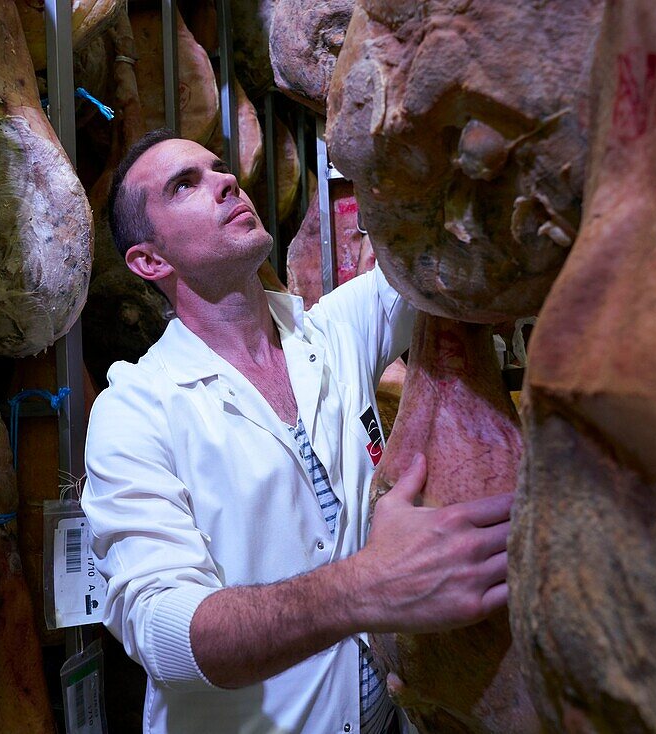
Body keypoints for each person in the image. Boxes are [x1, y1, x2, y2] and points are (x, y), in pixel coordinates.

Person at [82, 128, 513, 734]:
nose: (226, 181)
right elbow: (164, 634)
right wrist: (366, 586)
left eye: (218, 168)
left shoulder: (331, 333)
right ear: (150, 261)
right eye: (186, 185)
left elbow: (434, 257)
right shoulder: (135, 410)